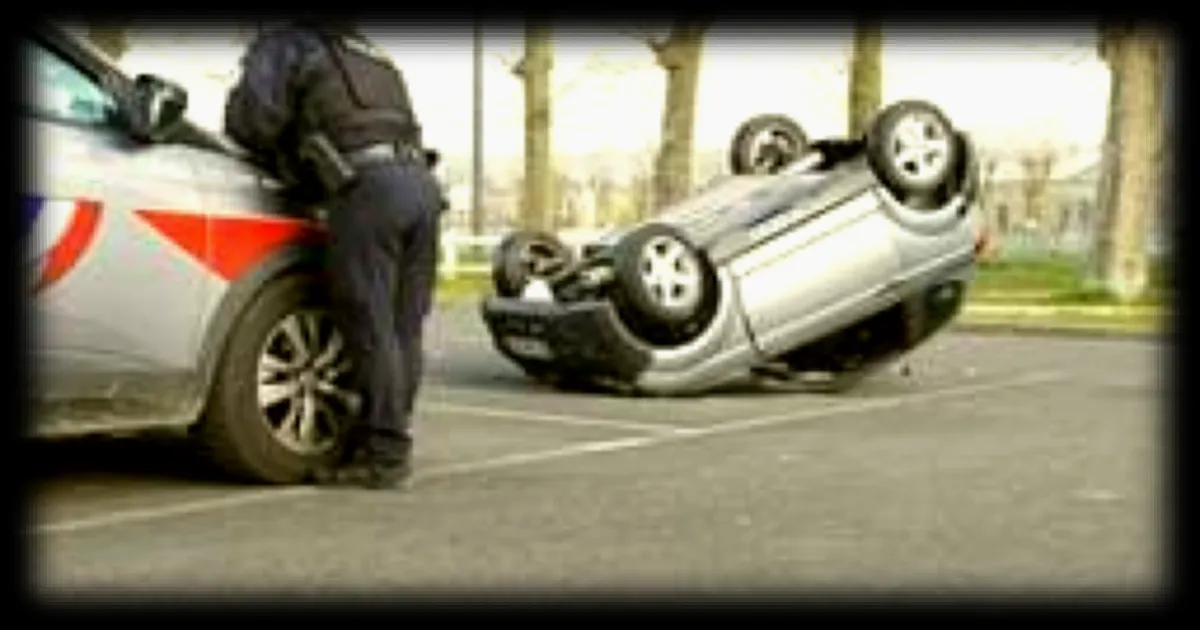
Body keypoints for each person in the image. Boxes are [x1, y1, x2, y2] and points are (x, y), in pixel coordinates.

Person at [224, 20, 444, 489]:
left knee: (369, 324)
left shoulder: (286, 41)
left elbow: (253, 123)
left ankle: (384, 456)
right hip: (421, 186)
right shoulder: (368, 48)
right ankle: (385, 441)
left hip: (367, 190)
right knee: (403, 330)